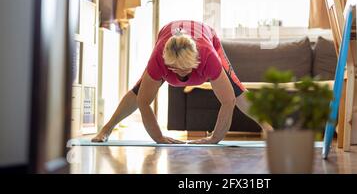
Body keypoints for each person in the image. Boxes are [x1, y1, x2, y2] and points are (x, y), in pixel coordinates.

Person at [92, 20, 270, 144]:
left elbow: (228, 101)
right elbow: (143, 102)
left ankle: (269, 129)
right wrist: (158, 137)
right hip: (167, 35)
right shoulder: (158, 59)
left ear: (196, 62)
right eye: (175, 69)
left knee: (235, 89)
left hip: (205, 35)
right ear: (166, 62)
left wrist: (215, 137)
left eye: (186, 69)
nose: (182, 75)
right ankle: (106, 129)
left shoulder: (208, 56)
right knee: (139, 91)